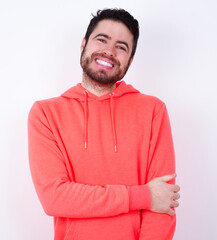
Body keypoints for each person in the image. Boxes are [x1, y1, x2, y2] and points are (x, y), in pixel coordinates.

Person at [28, 8, 180, 240]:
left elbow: (163, 203)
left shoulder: (153, 110)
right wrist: (143, 196)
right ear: (83, 44)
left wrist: (154, 197)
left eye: (121, 46)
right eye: (102, 39)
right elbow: (54, 198)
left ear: (129, 61)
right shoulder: (46, 113)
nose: (109, 51)